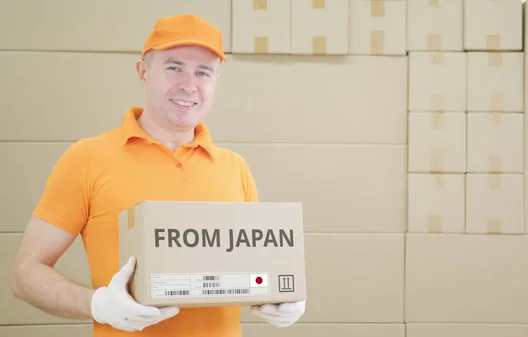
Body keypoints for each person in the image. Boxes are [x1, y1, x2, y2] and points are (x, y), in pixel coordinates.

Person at [9, 13, 306, 337]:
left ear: (215, 81)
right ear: (143, 72)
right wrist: (98, 304)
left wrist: (281, 295)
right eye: (174, 67)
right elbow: (25, 273)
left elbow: (253, 272)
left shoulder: (236, 169)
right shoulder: (87, 159)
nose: (189, 85)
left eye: (203, 72)